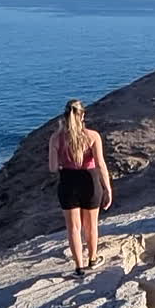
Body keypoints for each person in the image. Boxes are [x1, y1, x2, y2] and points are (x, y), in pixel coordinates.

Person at [48, 99, 113, 277]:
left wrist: (63, 161)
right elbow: (100, 164)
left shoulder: (56, 138)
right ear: (82, 115)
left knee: (73, 228)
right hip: (90, 181)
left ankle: (78, 267)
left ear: (65, 116)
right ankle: (92, 259)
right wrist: (107, 188)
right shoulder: (92, 136)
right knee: (91, 226)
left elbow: (53, 168)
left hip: (68, 181)